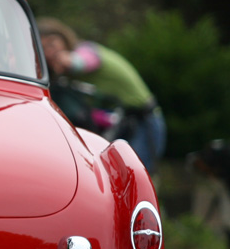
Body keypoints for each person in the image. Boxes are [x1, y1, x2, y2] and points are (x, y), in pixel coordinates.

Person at [38, 17, 166, 173]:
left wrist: (68, 61)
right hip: (121, 123)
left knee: (132, 177)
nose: (50, 51)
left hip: (144, 123)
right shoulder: (63, 78)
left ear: (64, 37)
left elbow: (83, 61)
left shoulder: (86, 50)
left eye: (52, 43)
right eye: (43, 48)